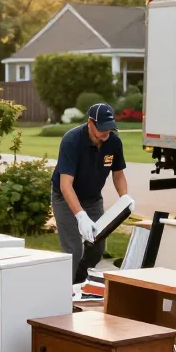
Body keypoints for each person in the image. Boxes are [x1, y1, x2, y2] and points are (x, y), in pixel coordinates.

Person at [51, 102, 135, 282]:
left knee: (97, 248)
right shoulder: (72, 141)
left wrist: (124, 198)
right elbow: (66, 185)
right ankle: (63, 293)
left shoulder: (113, 142)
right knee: (73, 249)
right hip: (65, 197)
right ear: (90, 123)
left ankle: (77, 282)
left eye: (109, 128)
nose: (105, 134)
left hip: (93, 198)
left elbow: (118, 174)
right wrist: (80, 216)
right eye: (102, 129)